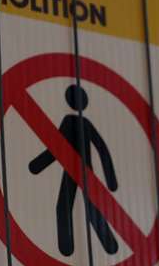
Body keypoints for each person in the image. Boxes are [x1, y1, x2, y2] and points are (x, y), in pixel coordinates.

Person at [28, 84, 119, 257]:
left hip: (73, 171)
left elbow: (56, 147)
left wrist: (37, 166)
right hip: (81, 172)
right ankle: (107, 245)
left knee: (65, 207)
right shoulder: (83, 122)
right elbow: (102, 149)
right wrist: (110, 180)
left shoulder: (70, 121)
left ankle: (70, 247)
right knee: (87, 208)